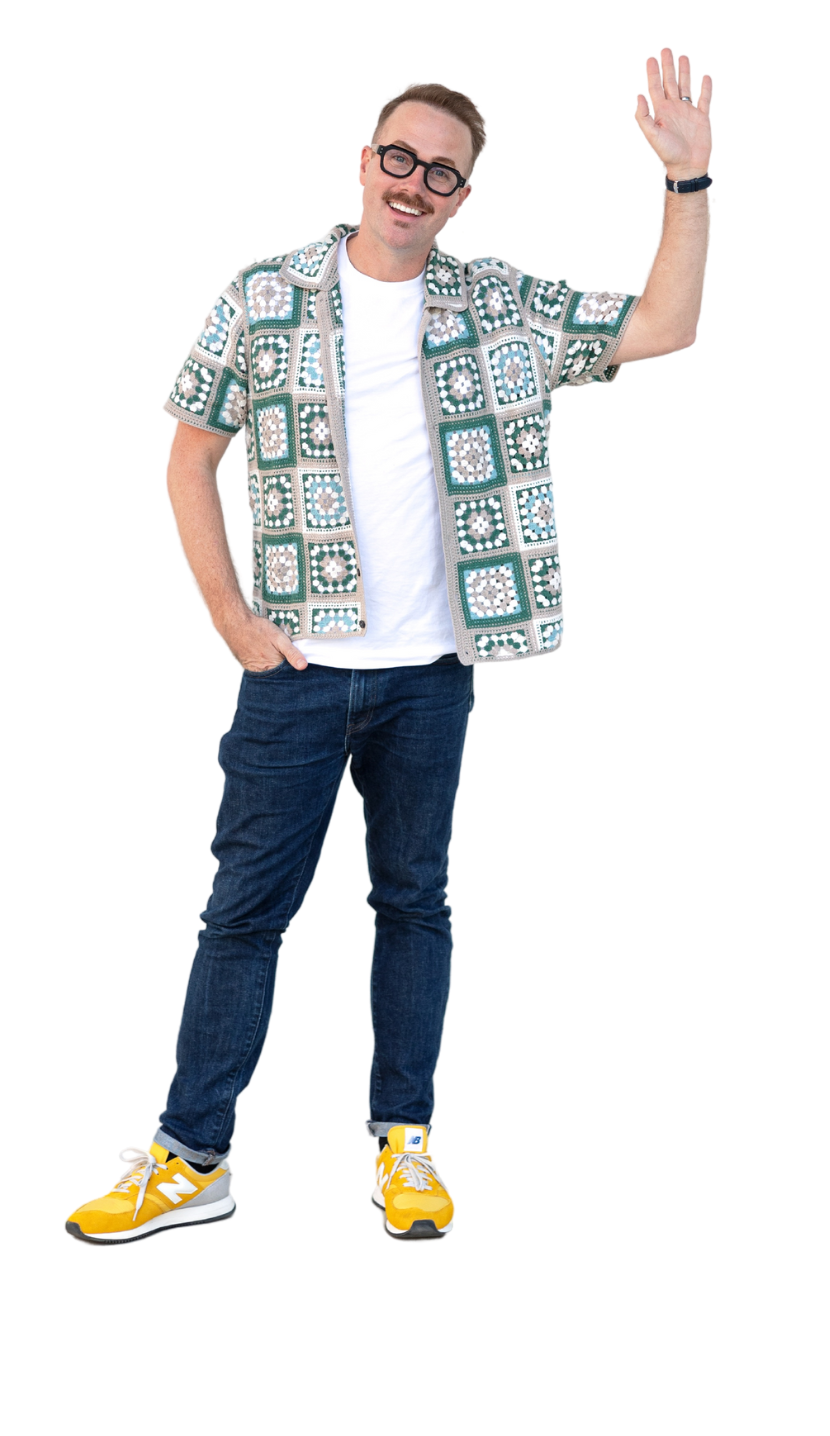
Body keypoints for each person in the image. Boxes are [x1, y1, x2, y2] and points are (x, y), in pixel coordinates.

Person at [65, 56, 712, 1246]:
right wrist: (228, 616)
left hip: (434, 670)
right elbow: (189, 444)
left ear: (461, 197)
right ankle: (190, 1155)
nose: (415, 183)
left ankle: (401, 1142)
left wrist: (683, 176)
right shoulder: (264, 292)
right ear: (365, 163)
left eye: (442, 172)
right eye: (400, 158)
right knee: (243, 910)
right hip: (295, 670)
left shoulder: (494, 301)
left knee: (413, 899)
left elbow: (659, 325)